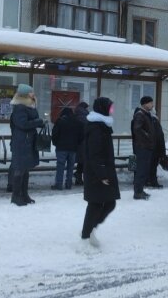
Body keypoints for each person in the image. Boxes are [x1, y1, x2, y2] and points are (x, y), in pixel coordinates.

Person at [81, 97, 120, 248]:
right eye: (110, 107)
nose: (112, 110)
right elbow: (94, 155)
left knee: (109, 203)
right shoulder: (97, 128)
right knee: (96, 205)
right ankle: (85, 235)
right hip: (97, 173)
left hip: (103, 170)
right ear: (103, 109)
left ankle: (90, 229)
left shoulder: (102, 125)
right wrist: (102, 175)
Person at [9, 84, 45, 206]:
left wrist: (40, 123)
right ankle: (16, 196)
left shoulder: (28, 106)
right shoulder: (20, 107)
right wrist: (37, 122)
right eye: (31, 92)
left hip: (27, 141)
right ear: (25, 94)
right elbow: (22, 124)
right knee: (20, 169)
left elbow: (30, 122)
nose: (33, 94)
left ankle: (24, 195)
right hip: (21, 142)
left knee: (25, 169)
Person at [131, 96, 159, 200]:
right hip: (142, 147)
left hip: (146, 147)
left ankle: (140, 190)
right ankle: (137, 192)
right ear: (145, 104)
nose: (152, 105)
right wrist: (147, 137)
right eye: (151, 103)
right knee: (141, 170)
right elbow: (137, 129)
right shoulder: (140, 115)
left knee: (144, 170)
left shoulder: (146, 115)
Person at [51, 107, 84, 190]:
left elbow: (54, 134)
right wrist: (77, 144)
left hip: (61, 148)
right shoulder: (78, 122)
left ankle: (58, 184)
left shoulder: (60, 121)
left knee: (60, 166)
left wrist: (56, 143)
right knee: (71, 166)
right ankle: (68, 184)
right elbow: (81, 136)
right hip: (73, 148)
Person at [73, 102, 89, 186]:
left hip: (76, 142)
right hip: (84, 141)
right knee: (84, 161)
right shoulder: (86, 117)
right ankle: (79, 176)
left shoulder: (75, 115)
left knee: (81, 161)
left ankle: (78, 178)